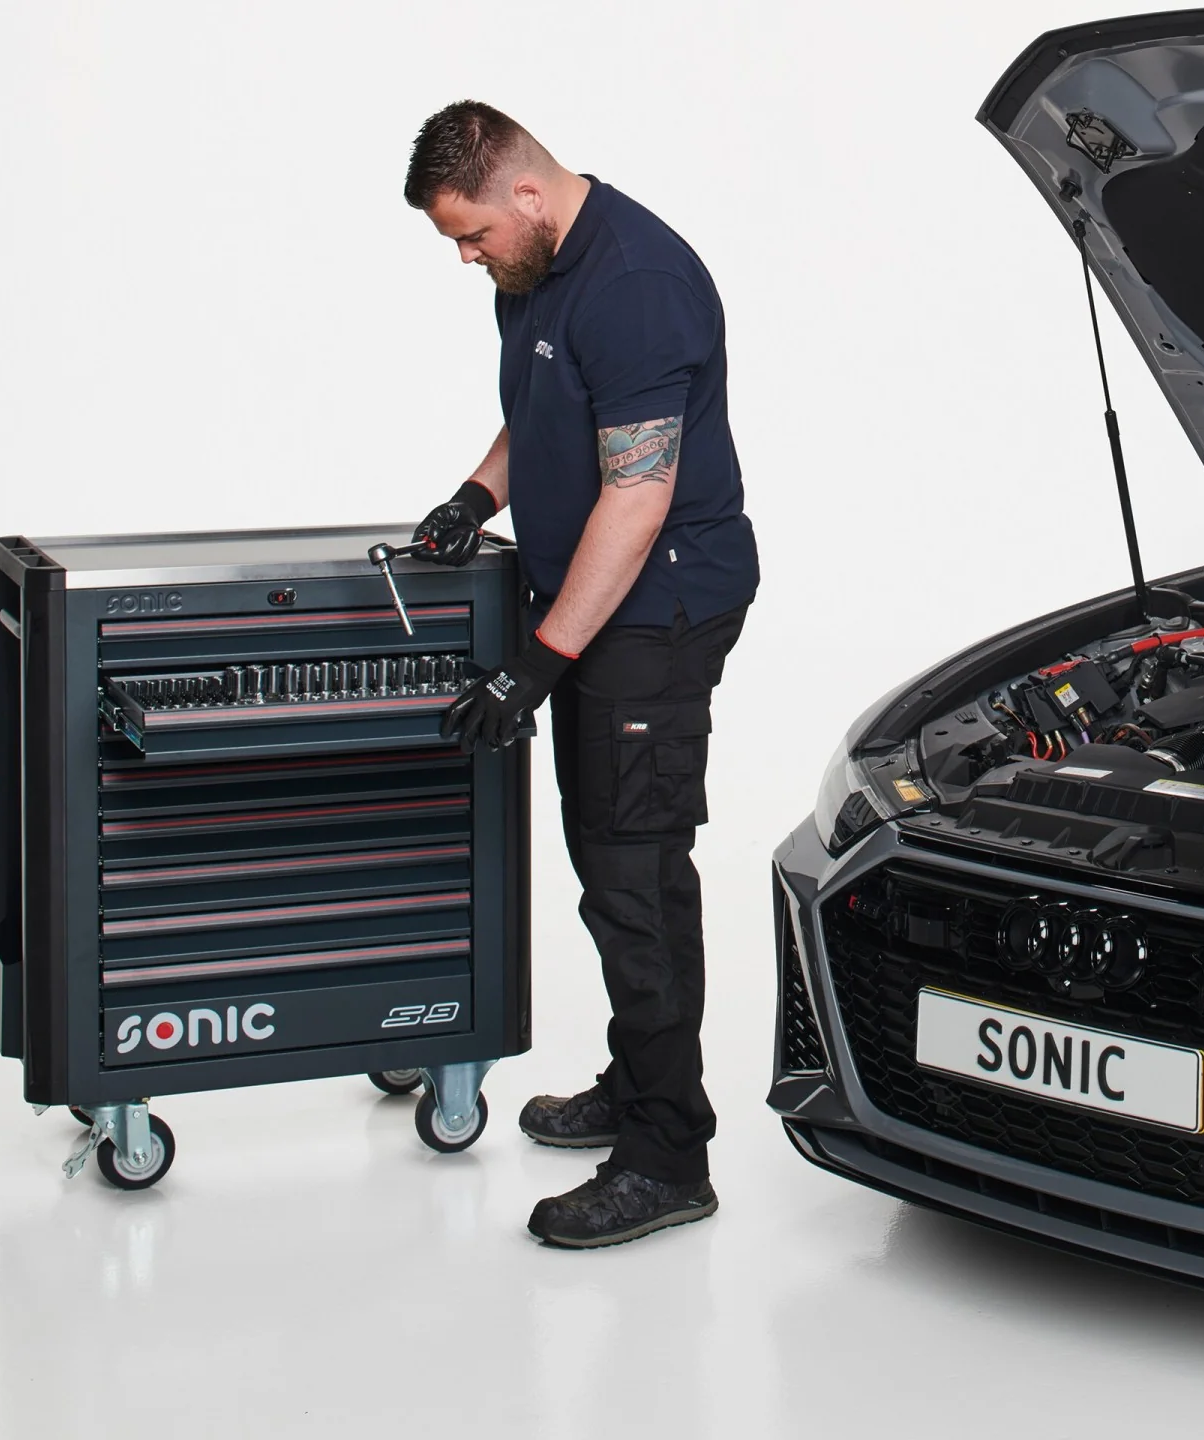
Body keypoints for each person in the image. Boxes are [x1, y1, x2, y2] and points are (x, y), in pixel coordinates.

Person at [403, 101, 759, 1249]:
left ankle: (667, 1157)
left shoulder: (637, 286)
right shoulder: (534, 269)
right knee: (614, 862)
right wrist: (474, 498)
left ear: (525, 194)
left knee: (633, 878)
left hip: (655, 613)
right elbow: (542, 414)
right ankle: (641, 1084)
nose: (466, 259)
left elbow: (638, 495)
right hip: (595, 609)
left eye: (471, 235)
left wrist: (537, 665)